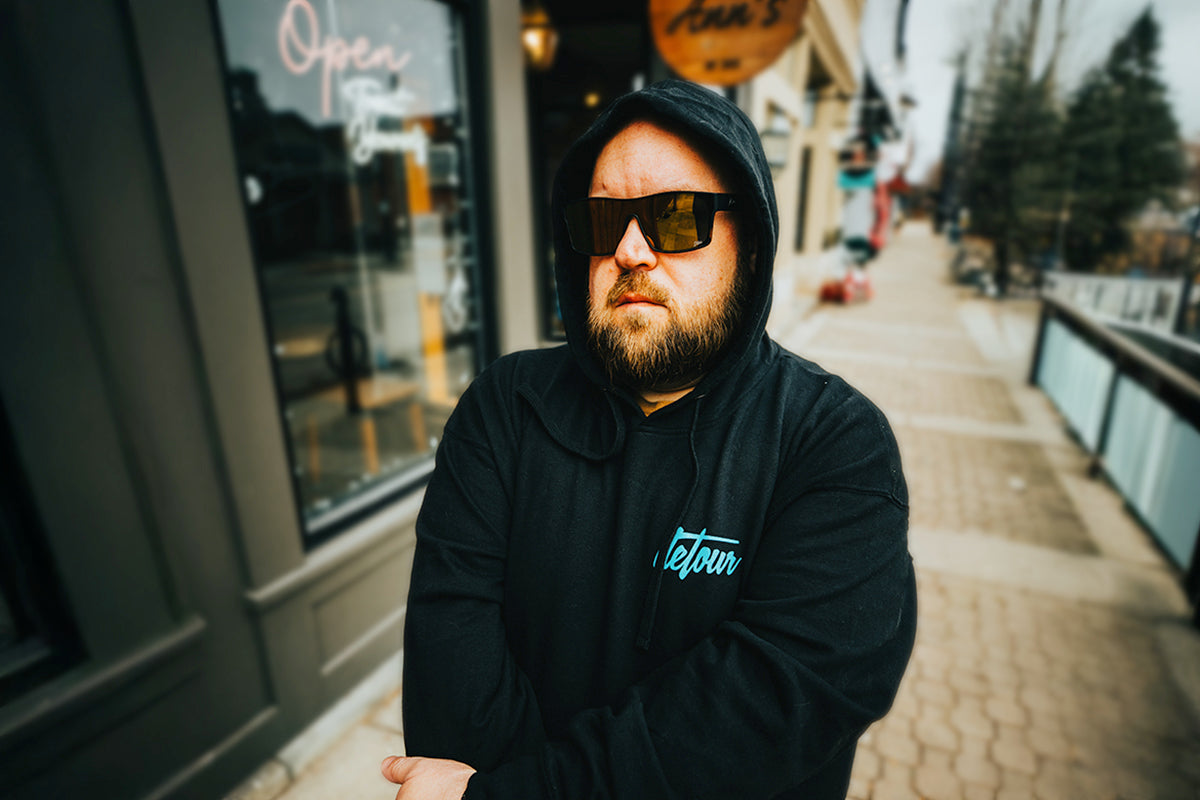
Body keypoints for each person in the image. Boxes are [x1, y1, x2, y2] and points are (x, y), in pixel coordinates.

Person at [381, 79, 917, 800]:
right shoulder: (505, 409)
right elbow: (451, 664)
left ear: (751, 246)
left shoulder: (835, 445)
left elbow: (762, 718)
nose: (630, 249)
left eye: (674, 217)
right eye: (604, 223)